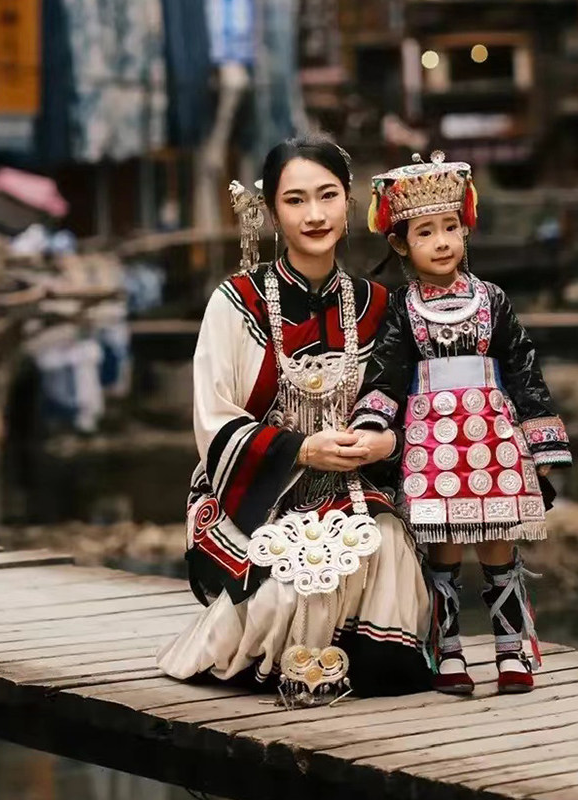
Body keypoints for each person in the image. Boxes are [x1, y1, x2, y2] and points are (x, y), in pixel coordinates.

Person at [157, 135, 431, 700]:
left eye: (327, 196)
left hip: (353, 489)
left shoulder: (381, 304)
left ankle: (356, 663)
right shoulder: (235, 302)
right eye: (296, 200)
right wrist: (301, 449)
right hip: (252, 493)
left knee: (387, 551)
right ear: (272, 210)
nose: (314, 215)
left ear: (348, 202)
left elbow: (412, 408)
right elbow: (213, 417)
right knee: (286, 589)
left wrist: (386, 445)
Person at [350, 152, 572, 695]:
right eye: (427, 232)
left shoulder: (492, 300)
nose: (443, 241)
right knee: (443, 548)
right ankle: (447, 652)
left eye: (451, 227)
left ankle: (511, 650)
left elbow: (522, 367)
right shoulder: (402, 309)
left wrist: (542, 445)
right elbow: (386, 372)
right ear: (402, 244)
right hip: (430, 440)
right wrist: (374, 425)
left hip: (494, 433)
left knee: (499, 542)